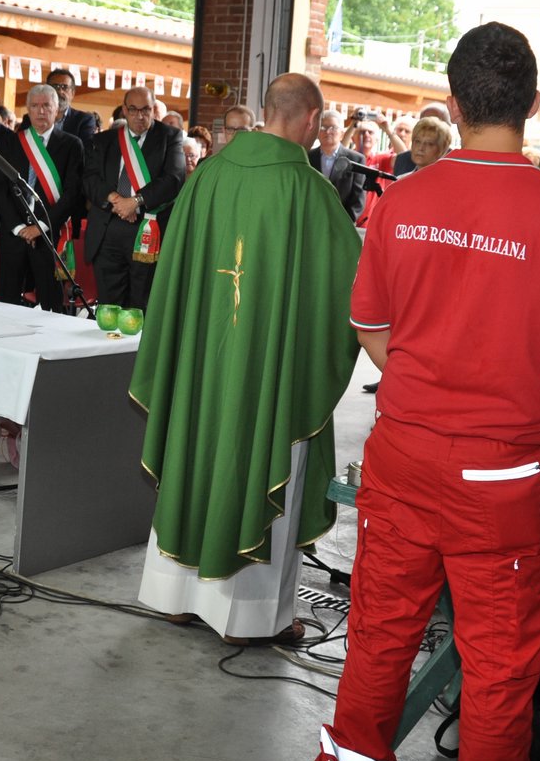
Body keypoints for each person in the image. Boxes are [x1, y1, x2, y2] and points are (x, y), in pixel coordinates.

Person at [304, 23, 540, 761]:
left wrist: (426, 374)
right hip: (504, 480)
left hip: (403, 456)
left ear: (452, 103)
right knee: (500, 659)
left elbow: (370, 325)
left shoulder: (402, 199)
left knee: (379, 629)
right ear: (535, 105)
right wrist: (505, 385)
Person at [133, 73, 360, 643]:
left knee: (195, 448)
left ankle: (175, 596)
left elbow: (173, 277)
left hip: (201, 367)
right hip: (266, 376)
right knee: (258, 451)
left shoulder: (207, 176)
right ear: (310, 121)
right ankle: (248, 618)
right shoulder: (309, 194)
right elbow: (350, 293)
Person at [83, 85, 185, 310]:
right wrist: (116, 201)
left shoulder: (170, 137)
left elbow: (174, 179)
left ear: (154, 109)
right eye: (134, 110)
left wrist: (135, 202)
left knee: (141, 303)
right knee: (109, 304)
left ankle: (138, 346)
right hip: (108, 229)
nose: (140, 116)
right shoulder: (105, 140)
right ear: (124, 110)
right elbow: (90, 179)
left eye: (146, 110)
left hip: (147, 229)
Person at [0, 83, 84, 313]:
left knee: (50, 306)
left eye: (46, 106)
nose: (41, 111)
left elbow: (72, 193)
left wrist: (40, 227)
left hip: (50, 235)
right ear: (28, 109)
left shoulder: (72, 145)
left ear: (57, 109)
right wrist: (19, 227)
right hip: (14, 235)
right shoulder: (11, 142)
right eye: (35, 106)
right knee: (7, 304)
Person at [310, 109, 370, 220]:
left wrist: (343, 223)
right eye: (323, 127)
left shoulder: (356, 159)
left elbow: (358, 200)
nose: (328, 132)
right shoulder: (308, 157)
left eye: (333, 128)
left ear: (342, 134)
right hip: (311, 222)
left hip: (342, 224)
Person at [44, 68, 99, 151]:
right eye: (55, 86)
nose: (60, 91)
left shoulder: (84, 120)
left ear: (72, 93)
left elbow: (85, 152)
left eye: (65, 87)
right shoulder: (31, 118)